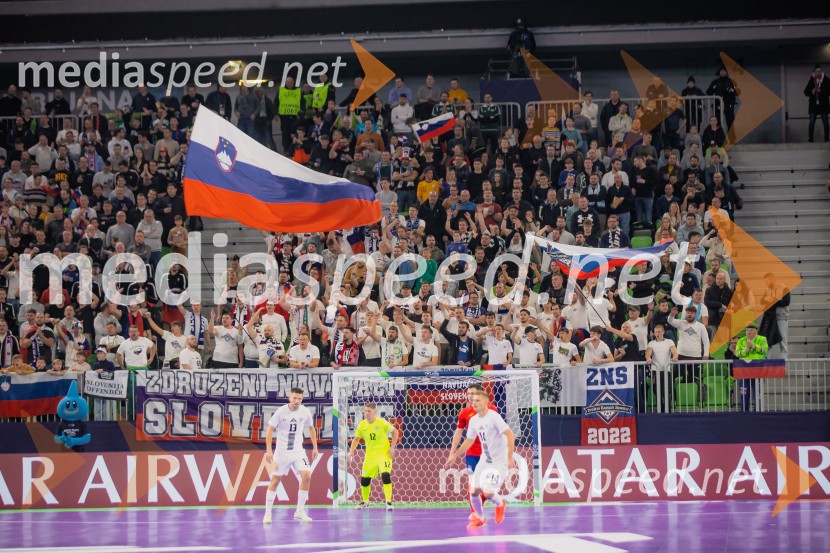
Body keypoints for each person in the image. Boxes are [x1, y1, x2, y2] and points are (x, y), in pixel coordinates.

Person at [446, 388, 515, 529]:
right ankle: (480, 518)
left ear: (486, 402)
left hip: (498, 462)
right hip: (484, 460)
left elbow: (510, 434)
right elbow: (469, 440)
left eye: (478, 400)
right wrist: (455, 455)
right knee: (474, 491)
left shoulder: (493, 416)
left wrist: (509, 457)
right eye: (472, 399)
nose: (474, 402)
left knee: (489, 493)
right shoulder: (473, 420)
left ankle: (500, 504)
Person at [263, 387, 318, 524]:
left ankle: (299, 511)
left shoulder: (305, 411)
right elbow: (270, 429)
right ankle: (267, 513)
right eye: (294, 398)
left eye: (299, 398)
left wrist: (315, 447)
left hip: (298, 451)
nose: (297, 401)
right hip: (282, 452)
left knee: (306, 476)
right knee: (275, 481)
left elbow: (311, 428)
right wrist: (269, 450)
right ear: (289, 397)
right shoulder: (281, 411)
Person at [348, 402, 400, 511]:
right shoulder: (362, 425)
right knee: (364, 480)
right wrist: (351, 451)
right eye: (365, 411)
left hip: (384, 454)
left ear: (374, 412)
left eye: (369, 411)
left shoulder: (381, 422)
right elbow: (356, 439)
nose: (366, 413)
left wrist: (392, 447)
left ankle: (389, 502)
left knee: (385, 475)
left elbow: (395, 432)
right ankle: (365, 502)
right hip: (370, 456)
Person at [735, 322, 769, 412]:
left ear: (756, 331)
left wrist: (753, 346)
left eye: (750, 330)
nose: (748, 332)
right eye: (747, 330)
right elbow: (737, 353)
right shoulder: (741, 341)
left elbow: (764, 349)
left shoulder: (762, 339)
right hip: (744, 371)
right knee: (744, 393)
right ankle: (744, 412)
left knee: (757, 393)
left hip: (758, 371)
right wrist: (746, 351)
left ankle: (757, 412)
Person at [804, 65, 830, 143]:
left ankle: (826, 139)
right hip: (813, 105)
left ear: (821, 71)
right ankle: (810, 139)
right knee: (811, 122)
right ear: (814, 72)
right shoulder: (812, 80)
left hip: (823, 105)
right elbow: (805, 92)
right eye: (816, 71)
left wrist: (821, 91)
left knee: (825, 122)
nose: (818, 73)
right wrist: (812, 91)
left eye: (819, 71)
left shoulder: (826, 80)